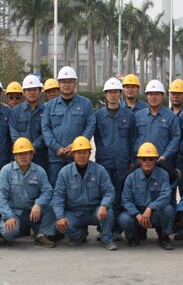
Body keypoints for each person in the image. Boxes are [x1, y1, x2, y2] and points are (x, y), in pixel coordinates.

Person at [52, 136, 117, 250]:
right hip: (75, 213)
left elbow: (109, 191)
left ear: (89, 153)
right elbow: (58, 197)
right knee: (60, 222)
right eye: (78, 153)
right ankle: (79, 235)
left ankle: (106, 239)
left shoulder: (100, 170)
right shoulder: (64, 173)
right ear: (73, 154)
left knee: (109, 211)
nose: (81, 156)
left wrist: (104, 205)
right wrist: (60, 216)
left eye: (84, 152)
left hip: (95, 211)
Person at [93, 77, 136, 238]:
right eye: (109, 92)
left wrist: (132, 161)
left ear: (120, 94)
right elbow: (97, 138)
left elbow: (132, 139)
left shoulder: (129, 116)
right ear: (105, 94)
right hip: (104, 162)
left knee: (119, 197)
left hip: (122, 163)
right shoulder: (98, 116)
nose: (112, 95)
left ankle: (116, 230)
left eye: (115, 92)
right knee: (103, 195)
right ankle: (103, 229)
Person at [41, 66, 96, 185]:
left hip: (78, 156)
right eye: (63, 81)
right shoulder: (50, 106)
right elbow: (45, 129)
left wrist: (77, 146)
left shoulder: (85, 104)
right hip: (56, 157)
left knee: (77, 188)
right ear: (59, 84)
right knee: (56, 188)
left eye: (70, 81)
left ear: (75, 83)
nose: (67, 85)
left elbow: (90, 126)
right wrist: (56, 147)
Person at [0, 137, 55, 247]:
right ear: (15, 155)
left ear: (31, 154)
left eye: (26, 153)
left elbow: (48, 191)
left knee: (53, 204)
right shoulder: (6, 171)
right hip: (14, 212)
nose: (23, 157)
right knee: (8, 233)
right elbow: (0, 196)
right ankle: (17, 230)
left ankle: (41, 234)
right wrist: (9, 216)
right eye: (20, 154)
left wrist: (38, 204)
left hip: (33, 212)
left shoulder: (40, 171)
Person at [118, 142, 175, 250]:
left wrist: (150, 208)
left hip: (154, 213)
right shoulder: (131, 177)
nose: (147, 161)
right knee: (123, 218)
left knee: (168, 209)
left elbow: (166, 195)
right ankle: (133, 237)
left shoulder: (163, 175)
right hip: (138, 214)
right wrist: (137, 215)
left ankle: (164, 236)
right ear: (139, 160)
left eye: (151, 159)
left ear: (156, 160)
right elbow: (125, 200)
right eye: (144, 159)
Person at [133, 80, 180, 165]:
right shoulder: (138, 116)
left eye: (157, 94)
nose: (153, 97)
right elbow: (132, 138)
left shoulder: (171, 117)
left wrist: (165, 155)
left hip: (162, 162)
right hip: (142, 162)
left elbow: (175, 138)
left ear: (162, 96)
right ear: (147, 96)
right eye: (151, 94)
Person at [9, 74, 48, 172]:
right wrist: (25, 148)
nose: (32, 92)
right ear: (24, 92)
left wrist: (34, 146)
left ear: (40, 91)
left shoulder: (46, 111)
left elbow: (46, 132)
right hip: (20, 156)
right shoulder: (15, 111)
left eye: (34, 89)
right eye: (29, 90)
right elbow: (13, 133)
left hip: (40, 156)